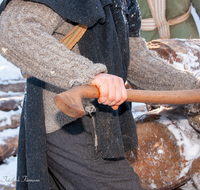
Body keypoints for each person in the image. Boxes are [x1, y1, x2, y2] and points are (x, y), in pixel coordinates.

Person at [0, 0, 200, 189]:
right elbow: (13, 29)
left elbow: (134, 58)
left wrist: (192, 88)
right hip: (67, 122)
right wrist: (88, 74)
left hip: (105, 123)